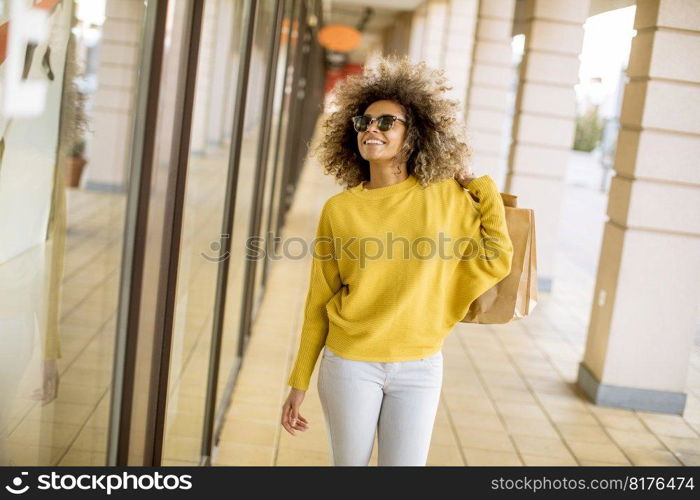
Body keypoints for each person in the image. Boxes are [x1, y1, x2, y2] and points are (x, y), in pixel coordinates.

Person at [280, 55, 513, 466]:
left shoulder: (446, 197)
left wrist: (482, 186)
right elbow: (319, 301)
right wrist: (299, 380)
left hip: (420, 365)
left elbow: (496, 255)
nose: (372, 128)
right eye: (364, 121)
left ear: (413, 135)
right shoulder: (339, 209)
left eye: (386, 122)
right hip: (350, 363)